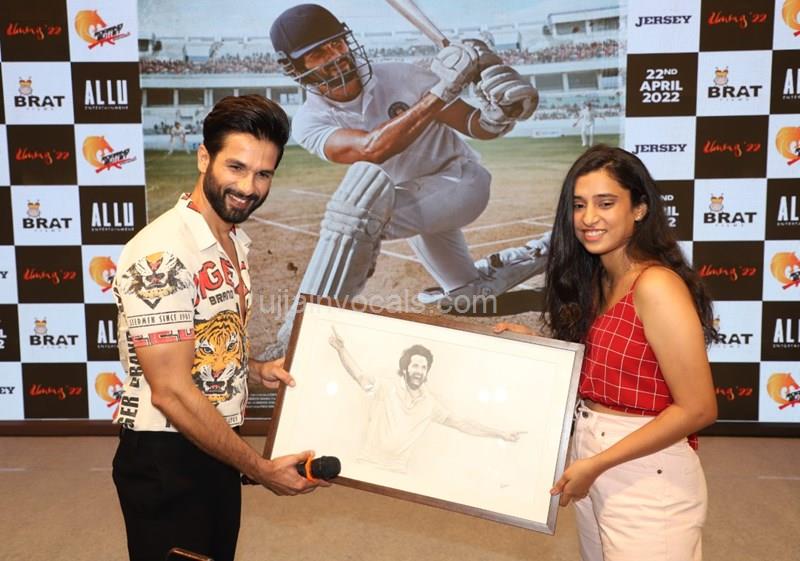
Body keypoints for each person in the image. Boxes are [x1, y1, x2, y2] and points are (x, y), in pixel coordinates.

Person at [111, 95, 327, 561]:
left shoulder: (227, 239)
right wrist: (261, 469)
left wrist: (255, 369)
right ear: (203, 158)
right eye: (236, 167)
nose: (249, 187)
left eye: (263, 174)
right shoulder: (164, 255)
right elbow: (170, 391)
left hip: (212, 446)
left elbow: (202, 343)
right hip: (168, 458)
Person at [263, 3, 543, 356]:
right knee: (466, 295)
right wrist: (441, 90)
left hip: (461, 183)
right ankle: (540, 252)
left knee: (357, 214)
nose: (334, 55)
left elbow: (477, 125)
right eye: (318, 53)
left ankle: (297, 334)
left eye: (336, 43)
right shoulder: (310, 121)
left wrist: (501, 113)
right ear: (296, 68)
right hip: (416, 204)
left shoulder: (402, 76)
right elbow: (371, 149)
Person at [499, 145, 718, 560]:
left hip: (646, 469)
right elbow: (605, 368)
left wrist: (597, 464)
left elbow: (699, 408)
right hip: (594, 452)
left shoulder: (656, 286)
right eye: (579, 205)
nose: (588, 218)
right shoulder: (597, 279)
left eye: (605, 203)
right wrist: (538, 347)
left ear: (639, 208)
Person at [328, 325, 524, 472]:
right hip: (367, 463)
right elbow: (359, 375)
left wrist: (500, 433)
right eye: (415, 366)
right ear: (405, 368)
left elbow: (463, 424)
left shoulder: (430, 404)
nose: (419, 371)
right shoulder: (387, 388)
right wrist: (341, 350)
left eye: (423, 367)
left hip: (397, 471)